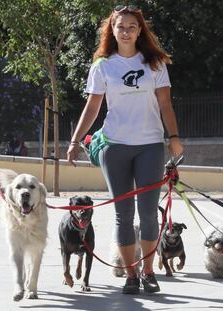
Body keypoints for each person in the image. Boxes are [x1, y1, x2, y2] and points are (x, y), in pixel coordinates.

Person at [66, 4, 183, 294]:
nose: (126, 31)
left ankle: (148, 271)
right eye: (121, 27)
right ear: (112, 30)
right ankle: (131, 275)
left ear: (140, 30)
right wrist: (74, 140)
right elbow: (92, 106)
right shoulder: (103, 65)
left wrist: (174, 137)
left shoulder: (154, 63)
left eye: (132, 26)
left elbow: (165, 104)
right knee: (123, 214)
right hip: (115, 146)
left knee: (147, 214)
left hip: (150, 146)